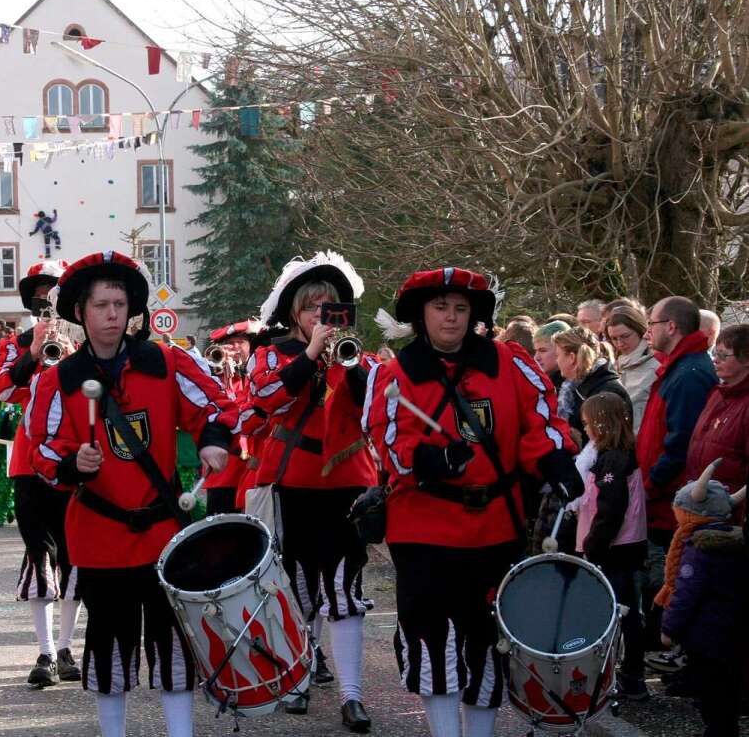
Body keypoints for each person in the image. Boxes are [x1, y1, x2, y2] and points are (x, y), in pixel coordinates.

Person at [361, 267, 582, 737]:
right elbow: (387, 442)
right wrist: (432, 459)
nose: (451, 318)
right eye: (441, 307)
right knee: (434, 639)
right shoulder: (394, 373)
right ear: (422, 314)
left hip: (495, 527)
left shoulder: (510, 362)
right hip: (423, 529)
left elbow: (539, 423)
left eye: (461, 309)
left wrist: (557, 462)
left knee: (486, 640)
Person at [26, 251, 237, 737]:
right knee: (109, 648)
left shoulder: (165, 361)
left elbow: (216, 406)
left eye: (119, 303)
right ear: (80, 311)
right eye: (101, 304)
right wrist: (71, 463)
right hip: (99, 534)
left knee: (173, 646)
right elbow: (40, 446)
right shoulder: (58, 379)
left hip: (163, 531)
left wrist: (211, 441)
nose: (112, 314)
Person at [250, 252, 377, 731]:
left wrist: (351, 362)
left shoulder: (354, 353)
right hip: (296, 483)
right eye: (310, 308)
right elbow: (264, 400)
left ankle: (351, 695)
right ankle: (299, 679)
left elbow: (372, 409)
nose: (320, 315)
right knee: (300, 587)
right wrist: (308, 356)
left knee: (344, 588)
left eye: (329, 307)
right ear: (295, 315)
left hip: (347, 485)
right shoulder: (273, 352)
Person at [0, 259, 82, 687]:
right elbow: (3, 389)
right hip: (28, 463)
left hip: (73, 461)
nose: (47, 300)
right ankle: (44, 652)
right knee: (38, 554)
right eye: (41, 293)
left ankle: (66, 646)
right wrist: (32, 351)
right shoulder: (14, 344)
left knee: (73, 553)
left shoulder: (83, 344)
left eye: (55, 292)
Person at [637, 296, 717, 657]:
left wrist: (650, 485)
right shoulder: (675, 368)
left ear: (671, 326)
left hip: (670, 503)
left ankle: (673, 650)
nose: (647, 331)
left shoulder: (688, 374)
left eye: (651, 323)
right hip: (660, 500)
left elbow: (679, 442)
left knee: (670, 579)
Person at [658, 469, 747, 737]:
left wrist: (669, 628)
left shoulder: (698, 548)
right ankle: (724, 729)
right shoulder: (736, 542)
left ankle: (718, 731)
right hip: (732, 633)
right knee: (727, 688)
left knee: (710, 691)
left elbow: (686, 594)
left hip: (705, 637)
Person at [574, 393, 649, 700]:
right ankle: (626, 674)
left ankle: (630, 676)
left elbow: (611, 509)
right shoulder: (612, 454)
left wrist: (593, 543)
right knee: (623, 611)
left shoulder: (614, 460)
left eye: (589, 423)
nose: (587, 428)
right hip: (616, 547)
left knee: (622, 613)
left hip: (616, 548)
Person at [201, 319, 260, 515]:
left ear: (250, 346)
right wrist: (216, 370)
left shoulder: (258, 370)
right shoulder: (214, 375)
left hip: (254, 470)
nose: (236, 348)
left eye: (241, 342)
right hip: (223, 473)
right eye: (231, 343)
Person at [686, 324, 749, 503]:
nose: (715, 360)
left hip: (729, 512)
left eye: (722, 355)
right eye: (715, 353)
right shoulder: (717, 394)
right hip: (700, 506)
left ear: (746, 359)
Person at [552, 326, 631, 447]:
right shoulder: (575, 388)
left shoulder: (607, 391)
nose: (556, 361)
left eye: (558, 355)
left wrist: (577, 441)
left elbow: (608, 444)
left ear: (571, 358)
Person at [606, 305, 657, 432]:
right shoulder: (616, 364)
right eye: (614, 338)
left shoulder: (656, 364)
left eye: (625, 336)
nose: (620, 343)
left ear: (640, 330)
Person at [533, 320, 570, 394]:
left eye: (543, 350)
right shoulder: (537, 380)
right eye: (535, 351)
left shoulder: (573, 385)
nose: (536, 357)